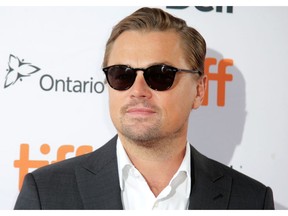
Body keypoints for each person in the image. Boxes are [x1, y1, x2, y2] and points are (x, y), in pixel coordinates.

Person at [14, 7, 274, 210]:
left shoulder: (251, 199)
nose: (137, 90)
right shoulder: (46, 193)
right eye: (121, 74)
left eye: (160, 74)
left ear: (199, 91)